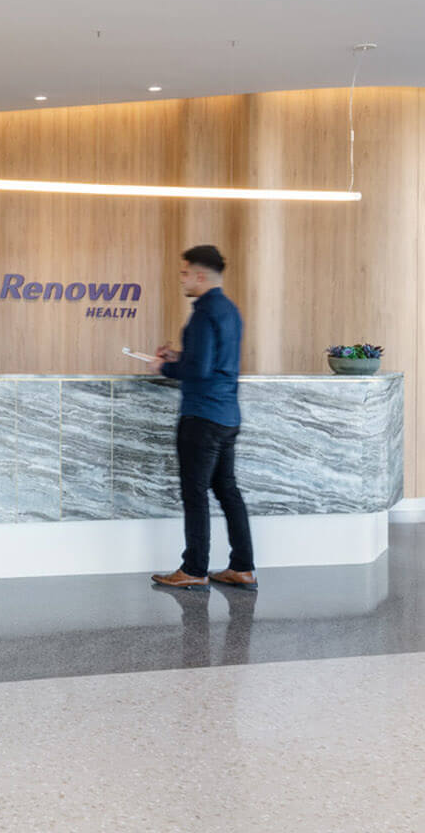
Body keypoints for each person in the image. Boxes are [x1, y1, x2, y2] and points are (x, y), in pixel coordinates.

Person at [150, 245, 255, 592]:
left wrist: (164, 365)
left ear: (199, 275)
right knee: (227, 491)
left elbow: (198, 369)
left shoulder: (202, 313)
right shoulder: (229, 310)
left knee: (195, 494)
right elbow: (213, 361)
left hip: (202, 416)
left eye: (184, 273)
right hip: (227, 415)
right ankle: (243, 567)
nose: (181, 280)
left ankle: (194, 568)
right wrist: (179, 355)